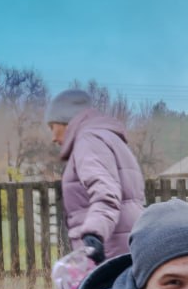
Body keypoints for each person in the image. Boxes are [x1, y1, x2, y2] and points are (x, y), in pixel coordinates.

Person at [46, 88, 145, 265]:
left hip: (108, 252)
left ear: (65, 121)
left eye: (52, 127)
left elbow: (106, 192)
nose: (53, 137)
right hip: (126, 247)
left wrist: (93, 234)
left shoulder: (88, 140)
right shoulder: (108, 138)